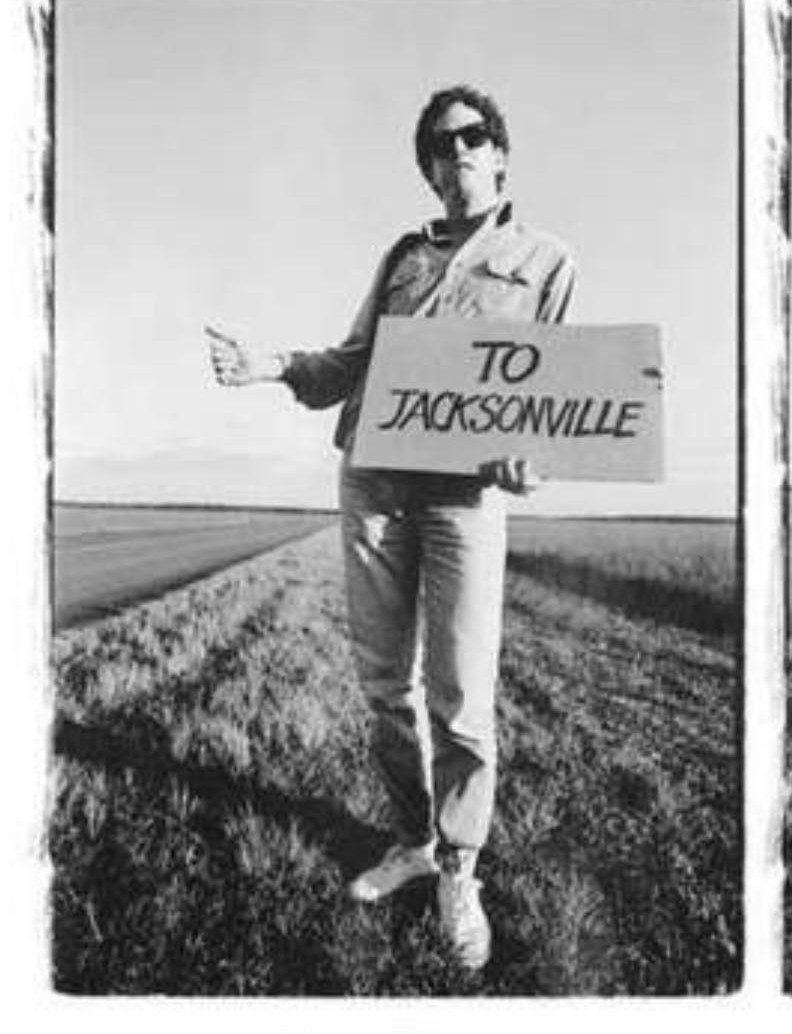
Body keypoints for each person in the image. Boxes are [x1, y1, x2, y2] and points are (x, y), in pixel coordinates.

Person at [207, 84, 576, 971]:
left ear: (502, 154)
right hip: (373, 480)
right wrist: (270, 366)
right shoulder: (404, 256)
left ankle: (460, 870)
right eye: (438, 148)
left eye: (472, 138)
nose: (455, 157)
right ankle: (414, 839)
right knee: (384, 686)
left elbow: (556, 394)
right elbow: (353, 360)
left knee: (462, 699)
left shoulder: (546, 259)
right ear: (429, 167)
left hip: (461, 500)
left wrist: (532, 455)